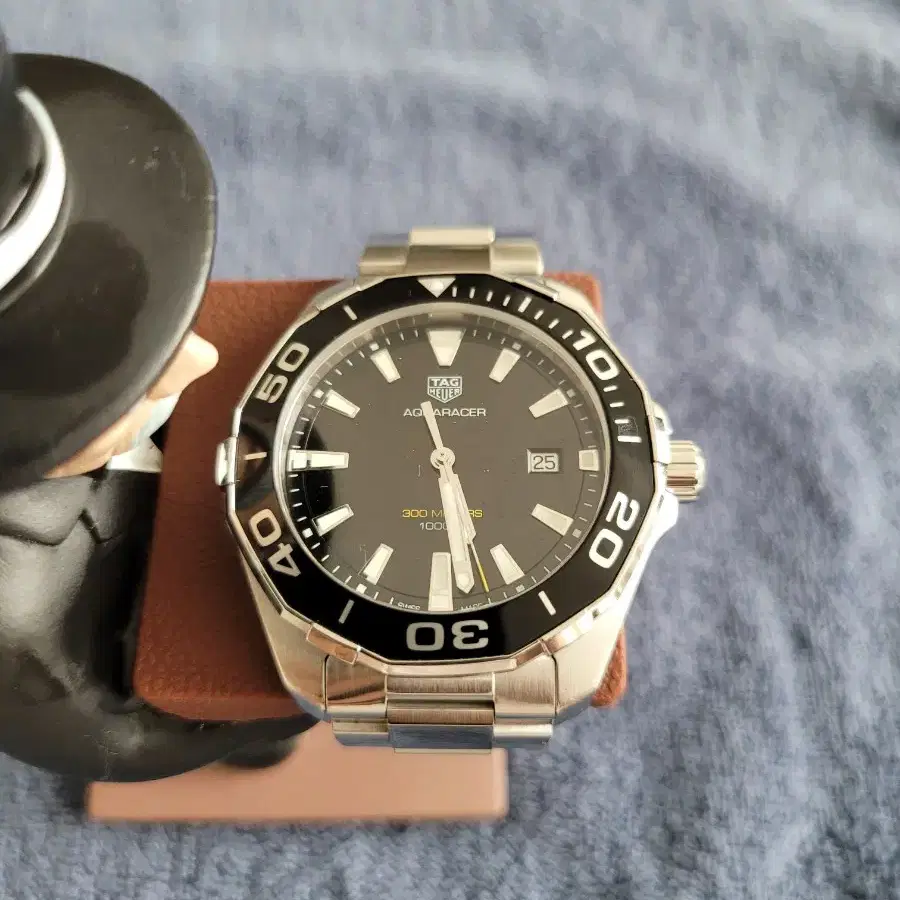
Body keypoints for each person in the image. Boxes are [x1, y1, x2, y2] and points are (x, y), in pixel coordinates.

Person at [0, 31, 314, 781]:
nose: (200, 358)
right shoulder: (12, 602)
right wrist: (259, 700)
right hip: (173, 640)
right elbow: (101, 730)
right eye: (105, 374)